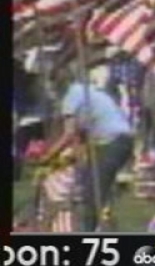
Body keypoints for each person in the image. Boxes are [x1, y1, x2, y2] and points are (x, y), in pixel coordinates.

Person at [47, 59, 137, 231]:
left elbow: (69, 133)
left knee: (93, 193)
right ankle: (103, 223)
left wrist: (48, 155)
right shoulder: (85, 90)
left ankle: (89, 232)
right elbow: (82, 133)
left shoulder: (70, 97)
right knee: (96, 188)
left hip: (112, 141)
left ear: (57, 83)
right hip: (121, 139)